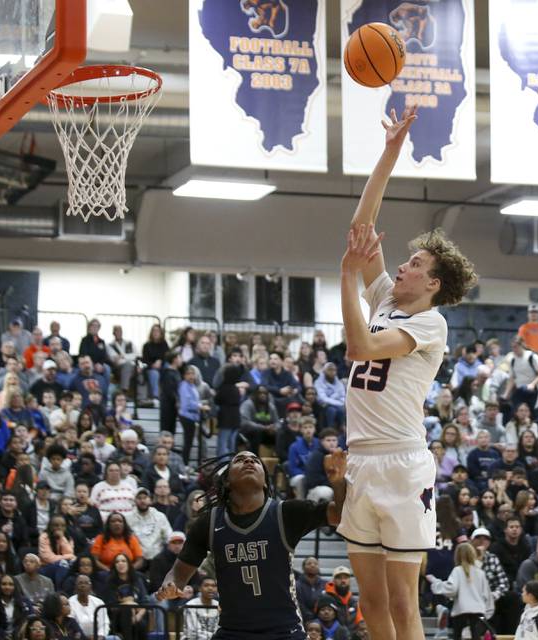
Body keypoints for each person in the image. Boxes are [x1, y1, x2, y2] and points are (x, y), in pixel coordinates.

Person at [334, 106, 477, 640]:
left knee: (402, 602)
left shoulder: (431, 323)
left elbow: (360, 346)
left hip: (402, 466)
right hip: (361, 461)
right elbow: (361, 230)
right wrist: (390, 153)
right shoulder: (384, 299)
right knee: (370, 602)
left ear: (434, 284)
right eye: (407, 260)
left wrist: (347, 276)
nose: (402, 266)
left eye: (416, 264)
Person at [156, 450, 347, 639]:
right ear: (227, 481)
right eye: (240, 460)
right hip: (232, 631)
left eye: (255, 460)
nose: (248, 461)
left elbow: (339, 515)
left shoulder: (286, 513)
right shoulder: (209, 523)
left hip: (283, 631)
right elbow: (179, 573)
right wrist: (170, 585)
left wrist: (338, 483)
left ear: (265, 481)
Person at [426, 542, 494, 640]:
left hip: (461, 613)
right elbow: (487, 596)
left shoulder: (457, 571)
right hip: (478, 613)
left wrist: (436, 583)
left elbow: (451, 589)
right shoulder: (480, 573)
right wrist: (487, 613)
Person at [68, 575, 110, 640]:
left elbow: (105, 623)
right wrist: (86, 638)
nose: (83, 586)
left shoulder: (99, 602)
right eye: (80, 583)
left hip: (99, 637)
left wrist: (100, 636)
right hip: (79, 638)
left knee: (115, 638)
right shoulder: (70, 603)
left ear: (90, 587)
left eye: (86, 583)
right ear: (75, 587)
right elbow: (73, 626)